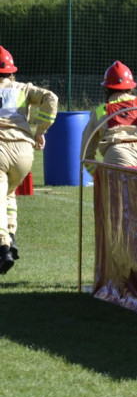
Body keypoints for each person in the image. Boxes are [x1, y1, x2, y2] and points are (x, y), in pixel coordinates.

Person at [0, 46, 58, 274]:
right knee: (8, 193)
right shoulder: (23, 88)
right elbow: (51, 97)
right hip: (23, 152)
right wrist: (40, 130)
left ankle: (3, 247)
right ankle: (11, 236)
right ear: (11, 72)